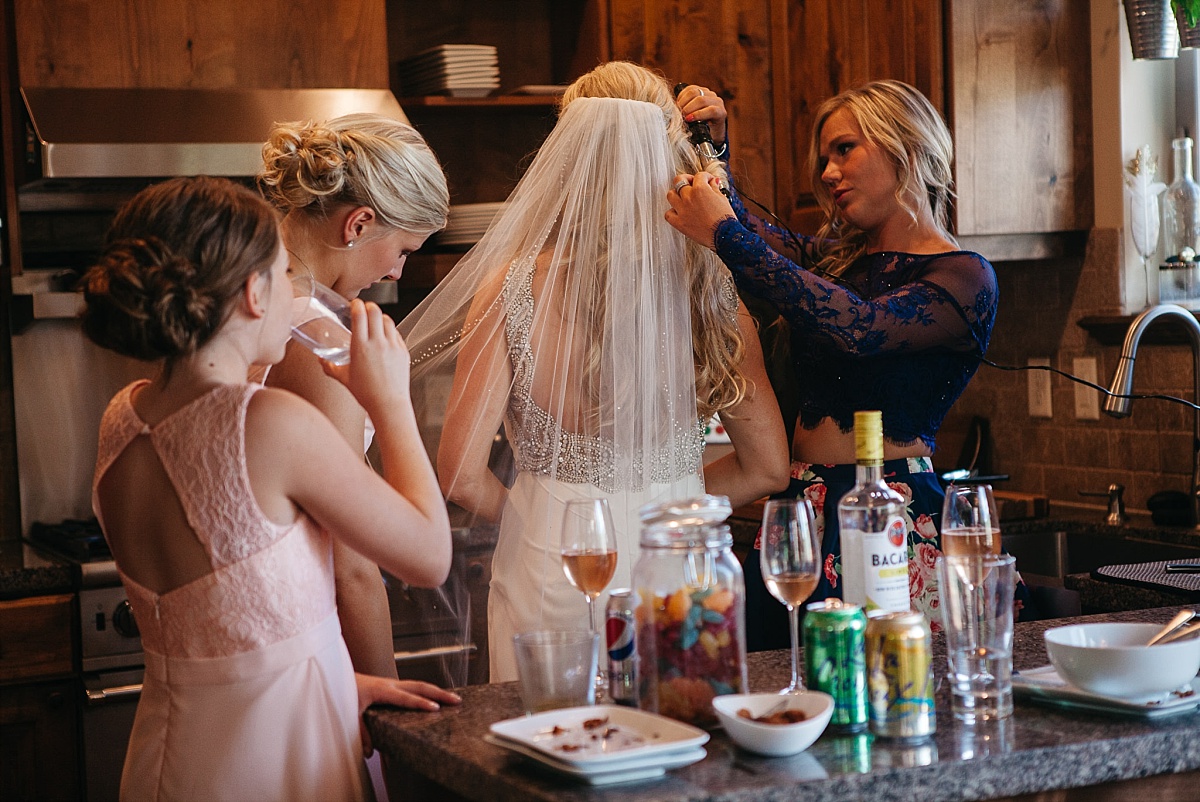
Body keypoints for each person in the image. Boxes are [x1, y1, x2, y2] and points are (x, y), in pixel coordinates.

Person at [399, 61, 791, 682]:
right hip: (679, 574)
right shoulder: (711, 285)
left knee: (552, 753)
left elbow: (460, 475)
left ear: (569, 154)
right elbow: (767, 465)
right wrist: (668, 499)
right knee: (679, 758)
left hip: (554, 566)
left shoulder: (513, 288)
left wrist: (542, 512)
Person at [83, 176, 460, 801]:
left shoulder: (123, 419)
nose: (297, 293)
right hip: (275, 762)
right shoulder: (267, 424)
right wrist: (390, 402)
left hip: (170, 756)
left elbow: (218, 630)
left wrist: (342, 681)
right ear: (255, 293)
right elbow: (428, 556)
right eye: (287, 274)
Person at [665, 79, 1005, 650]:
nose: (826, 172)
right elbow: (761, 243)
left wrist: (721, 233)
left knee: (883, 692)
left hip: (890, 513)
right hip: (799, 509)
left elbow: (859, 328)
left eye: (844, 150)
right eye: (825, 158)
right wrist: (713, 146)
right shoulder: (835, 261)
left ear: (907, 146)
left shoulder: (964, 276)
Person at [257, 113, 452, 682]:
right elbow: (352, 564)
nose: (395, 271)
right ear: (359, 223)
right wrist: (385, 701)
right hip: (313, 642)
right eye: (405, 250)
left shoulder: (257, 307)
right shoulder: (314, 337)